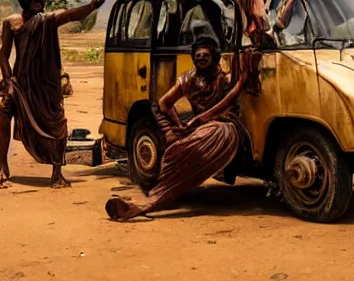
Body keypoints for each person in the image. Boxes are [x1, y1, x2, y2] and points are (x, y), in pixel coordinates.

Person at [105, 36, 247, 221]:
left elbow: (228, 101)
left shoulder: (226, 78)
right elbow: (165, 103)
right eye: (198, 56)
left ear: (215, 57)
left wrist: (199, 120)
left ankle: (150, 204)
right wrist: (178, 124)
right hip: (200, 128)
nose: (201, 58)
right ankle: (155, 199)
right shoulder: (188, 78)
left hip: (225, 128)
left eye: (205, 55)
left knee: (200, 140)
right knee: (175, 152)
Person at [0, 0, 112, 189]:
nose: (39, 1)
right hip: (20, 82)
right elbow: (3, 55)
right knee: (3, 113)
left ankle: (57, 172)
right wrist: (8, 78)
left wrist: (94, 5)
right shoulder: (11, 22)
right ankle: (3, 166)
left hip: (45, 84)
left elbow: (71, 14)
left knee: (57, 124)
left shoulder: (47, 19)